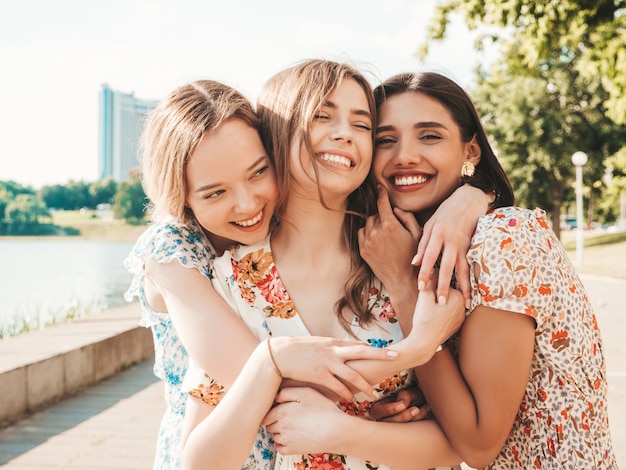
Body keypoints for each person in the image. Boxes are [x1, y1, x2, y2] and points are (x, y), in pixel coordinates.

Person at [180, 60, 494, 470]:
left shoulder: (405, 259)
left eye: (362, 125)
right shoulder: (231, 280)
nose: (345, 134)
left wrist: (474, 194)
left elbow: (458, 444)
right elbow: (198, 464)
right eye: (321, 116)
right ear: (277, 131)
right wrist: (266, 364)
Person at [124, 80, 398, 470]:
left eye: (257, 173)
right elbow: (263, 378)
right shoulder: (172, 252)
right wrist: (404, 369)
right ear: (182, 195)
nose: (247, 204)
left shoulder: (277, 231)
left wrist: (474, 194)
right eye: (214, 193)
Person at [361, 71, 617, 468]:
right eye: (385, 140)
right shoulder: (420, 239)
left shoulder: (502, 238)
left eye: (429, 135)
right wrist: (421, 401)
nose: (404, 155)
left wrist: (403, 283)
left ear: (471, 151)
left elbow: (480, 444)